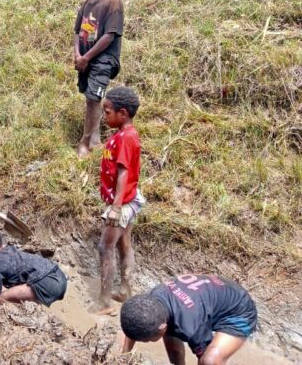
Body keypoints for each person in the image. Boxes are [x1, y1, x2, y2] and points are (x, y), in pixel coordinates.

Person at [120, 274, 258, 365]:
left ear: (162, 327)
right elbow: (133, 320)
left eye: (148, 340)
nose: (149, 341)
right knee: (174, 349)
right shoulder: (149, 300)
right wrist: (123, 358)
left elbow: (202, 358)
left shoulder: (191, 328)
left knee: (210, 360)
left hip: (239, 310)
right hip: (211, 295)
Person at [94, 86, 145, 316]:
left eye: (107, 112)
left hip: (122, 204)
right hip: (129, 198)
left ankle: (105, 302)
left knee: (106, 247)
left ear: (122, 113)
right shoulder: (126, 134)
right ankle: (125, 290)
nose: (104, 116)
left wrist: (115, 208)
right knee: (125, 245)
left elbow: (123, 172)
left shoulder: (126, 138)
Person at [73, 0, 124, 157]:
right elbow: (78, 32)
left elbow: (109, 36)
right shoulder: (88, 3)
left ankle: (85, 143)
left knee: (94, 97)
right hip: (85, 59)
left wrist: (87, 58)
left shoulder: (113, 3)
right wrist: (78, 55)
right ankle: (95, 140)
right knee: (89, 98)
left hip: (103, 60)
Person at [0, 223, 67, 306]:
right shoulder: (7, 251)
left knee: (2, 297)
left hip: (47, 284)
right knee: (17, 293)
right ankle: (29, 304)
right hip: (57, 274)